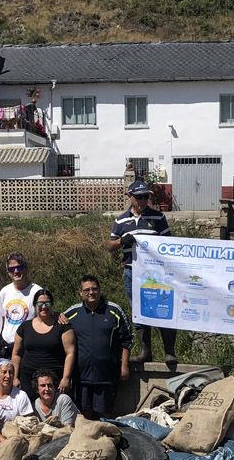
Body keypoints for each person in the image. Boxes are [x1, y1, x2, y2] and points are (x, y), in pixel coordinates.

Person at [109, 180, 176, 365]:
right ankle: (145, 350)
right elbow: (110, 245)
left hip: (157, 273)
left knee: (163, 308)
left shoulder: (158, 217)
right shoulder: (121, 220)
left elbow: (169, 244)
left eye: (146, 197)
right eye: (139, 197)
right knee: (138, 311)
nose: (143, 200)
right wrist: (123, 241)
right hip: (132, 272)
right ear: (130, 197)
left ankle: (169, 351)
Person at [63, 274, 132, 419]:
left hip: (106, 375)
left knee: (105, 416)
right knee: (84, 416)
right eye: (87, 290)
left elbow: (127, 339)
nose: (91, 293)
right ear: (80, 293)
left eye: (94, 289)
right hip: (81, 377)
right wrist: (58, 316)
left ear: (100, 290)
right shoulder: (72, 313)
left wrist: (124, 366)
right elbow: (55, 323)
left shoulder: (114, 311)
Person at [11, 289, 75, 401]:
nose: (44, 306)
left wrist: (66, 377)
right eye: (40, 303)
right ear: (35, 305)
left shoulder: (62, 326)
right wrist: (15, 377)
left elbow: (70, 353)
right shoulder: (24, 327)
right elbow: (16, 354)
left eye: (47, 303)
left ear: (52, 304)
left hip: (54, 380)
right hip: (28, 379)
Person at [0, 253, 44, 349]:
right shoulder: (4, 292)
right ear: (8, 272)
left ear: (26, 268)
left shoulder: (37, 291)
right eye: (12, 269)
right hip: (7, 345)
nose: (16, 271)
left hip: (28, 345)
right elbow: (2, 319)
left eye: (19, 267)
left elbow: (44, 319)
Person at [0, 358, 34, 425]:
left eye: (11, 372)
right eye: (4, 372)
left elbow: (28, 424)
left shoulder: (21, 395)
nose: (8, 376)